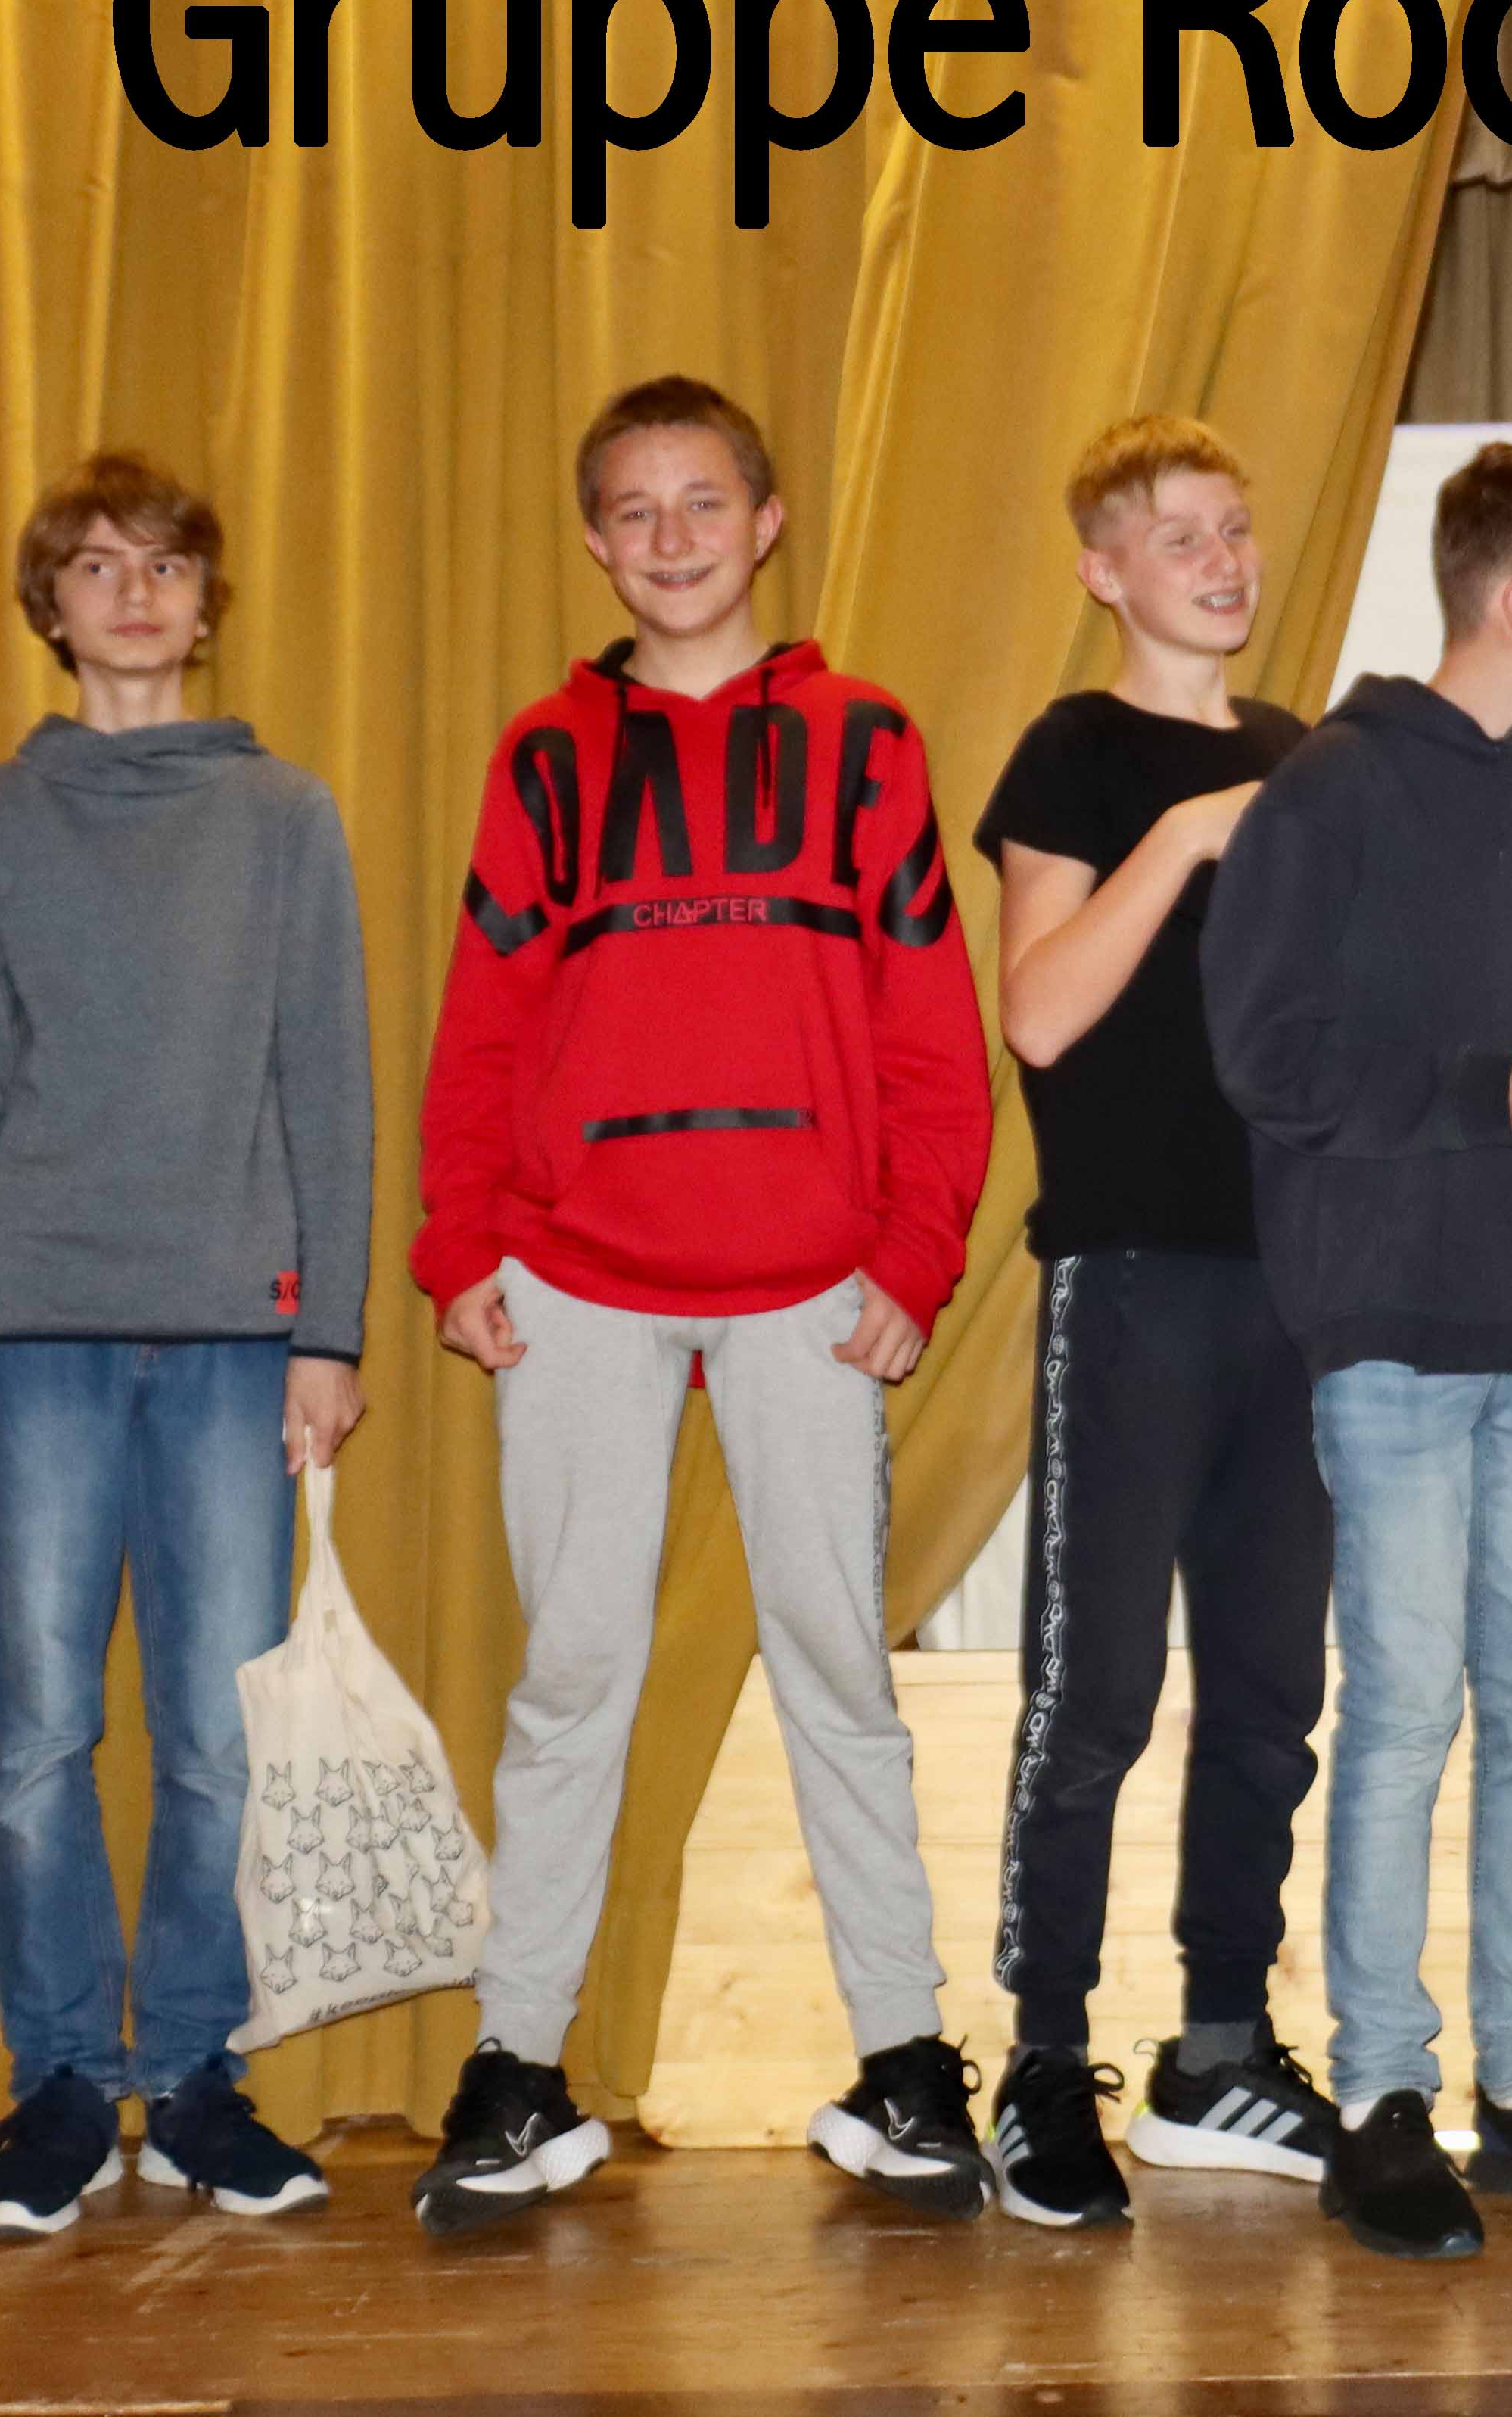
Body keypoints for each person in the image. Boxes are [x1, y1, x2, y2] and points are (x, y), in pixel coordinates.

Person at [405, 377, 995, 2235]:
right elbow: (485, 1025)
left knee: (840, 1670)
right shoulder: (543, 762)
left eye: (703, 502)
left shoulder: (866, 743)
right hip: (576, 1278)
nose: (671, 538)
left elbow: (932, 1031)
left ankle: (905, 2061)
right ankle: (518, 2069)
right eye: (635, 510)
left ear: (768, 521)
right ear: (596, 541)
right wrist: (459, 1244)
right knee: (572, 1675)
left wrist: (914, 1255)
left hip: (814, 1284)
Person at [1199, 438, 1512, 2259]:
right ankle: (1383, 2096)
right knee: (1408, 1705)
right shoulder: (1329, 789)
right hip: (1394, 1326)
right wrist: (1485, 1093)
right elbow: (1267, 1056)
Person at [0, 454, 373, 2235]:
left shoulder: (286, 817)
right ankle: (58, 2093)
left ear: (205, 599)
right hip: (32, 1337)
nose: (138, 591)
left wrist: (328, 1331)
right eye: (98, 566)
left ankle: (196, 2080)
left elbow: (328, 1081)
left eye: (167, 563)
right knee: (35, 1732)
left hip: (238, 1341)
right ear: (53, 606)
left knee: (220, 1738)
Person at [968, 417, 1333, 2226]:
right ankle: (1042, 2061)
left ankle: (1219, 2049)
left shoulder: (1305, 758)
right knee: (1095, 1689)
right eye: (1179, 534)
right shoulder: (1082, 752)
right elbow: (1040, 1014)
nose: (1221, 559)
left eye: (1235, 526)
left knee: (1269, 1693)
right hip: (1131, 1279)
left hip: (1298, 1289)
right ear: (1103, 569)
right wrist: (1187, 836)